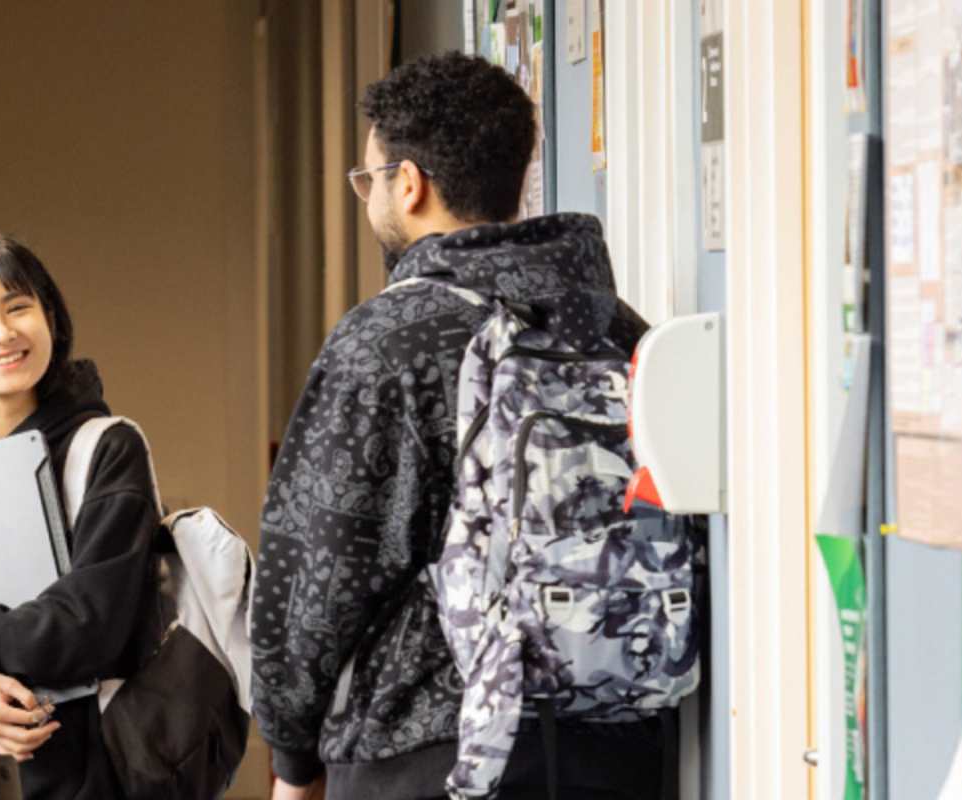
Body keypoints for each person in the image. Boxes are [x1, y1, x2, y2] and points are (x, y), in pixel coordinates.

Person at [251, 53, 664, 799]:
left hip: (425, 746)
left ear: (407, 184)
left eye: (368, 177)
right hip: (612, 736)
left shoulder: (388, 340)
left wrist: (290, 756)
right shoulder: (615, 327)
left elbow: (317, 566)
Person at [0, 234, 167, 799]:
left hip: (83, 766)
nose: (2, 334)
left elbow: (89, 625)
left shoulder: (107, 448)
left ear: (51, 319)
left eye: (19, 307)